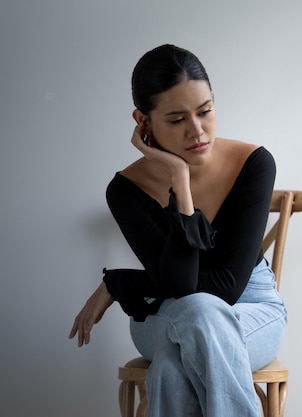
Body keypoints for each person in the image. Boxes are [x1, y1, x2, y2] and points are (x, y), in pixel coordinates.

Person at [69, 44, 287, 417]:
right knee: (197, 311)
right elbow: (180, 288)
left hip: (250, 307)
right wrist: (180, 181)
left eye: (205, 111)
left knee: (174, 364)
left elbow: (229, 285)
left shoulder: (254, 163)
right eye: (175, 120)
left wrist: (123, 283)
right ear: (144, 121)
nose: (197, 131)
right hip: (165, 314)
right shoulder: (125, 190)